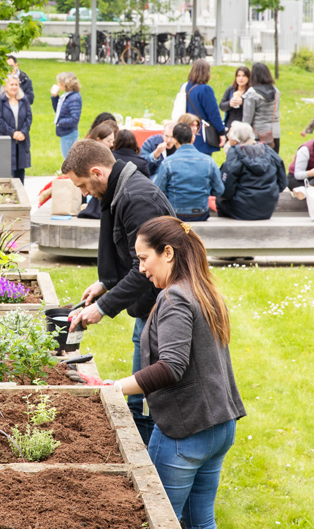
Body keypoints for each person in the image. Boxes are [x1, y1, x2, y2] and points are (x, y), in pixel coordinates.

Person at [111, 216, 245, 529]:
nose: (142, 268)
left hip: (185, 431)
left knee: (160, 520)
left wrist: (115, 387)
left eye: (145, 258)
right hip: (219, 425)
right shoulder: (203, 290)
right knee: (200, 522)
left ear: (168, 253)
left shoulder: (175, 298)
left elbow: (171, 367)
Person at [61, 140, 175, 443]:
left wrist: (102, 307)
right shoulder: (121, 191)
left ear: (97, 173)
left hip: (159, 310)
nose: (84, 193)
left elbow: (147, 269)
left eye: (83, 185)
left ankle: (154, 463)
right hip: (149, 309)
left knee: (151, 399)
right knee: (139, 396)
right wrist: (104, 284)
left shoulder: (137, 198)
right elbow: (131, 257)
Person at [151, 123, 224, 223]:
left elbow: (159, 191)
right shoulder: (209, 161)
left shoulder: (167, 163)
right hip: (201, 213)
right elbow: (219, 190)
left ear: (174, 140)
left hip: (176, 214)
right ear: (193, 139)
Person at [216, 121, 288, 221]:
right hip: (268, 208)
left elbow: (226, 188)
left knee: (219, 202)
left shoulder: (235, 153)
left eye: (230, 136)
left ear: (236, 141)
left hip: (242, 209)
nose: (228, 138)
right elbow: (283, 182)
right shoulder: (269, 151)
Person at [180, 59, 227, 156]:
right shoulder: (205, 89)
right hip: (202, 132)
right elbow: (213, 113)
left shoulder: (185, 87)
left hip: (188, 129)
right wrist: (221, 132)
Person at [0, 74, 32, 183]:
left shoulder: (24, 100)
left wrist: (23, 132)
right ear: (5, 86)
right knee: (5, 171)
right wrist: (12, 133)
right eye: (11, 84)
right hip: (4, 141)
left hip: (21, 141)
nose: (14, 87)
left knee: (20, 171)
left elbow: (29, 117)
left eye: (16, 84)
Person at [242, 62, 281, 152]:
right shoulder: (275, 91)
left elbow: (247, 119)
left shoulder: (251, 93)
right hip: (274, 132)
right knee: (273, 162)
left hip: (257, 134)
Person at [51, 71, 83, 159]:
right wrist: (55, 97)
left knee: (69, 161)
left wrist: (59, 123)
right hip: (66, 133)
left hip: (69, 133)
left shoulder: (73, 99)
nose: (58, 85)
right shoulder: (67, 96)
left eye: (59, 83)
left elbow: (74, 119)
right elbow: (59, 111)